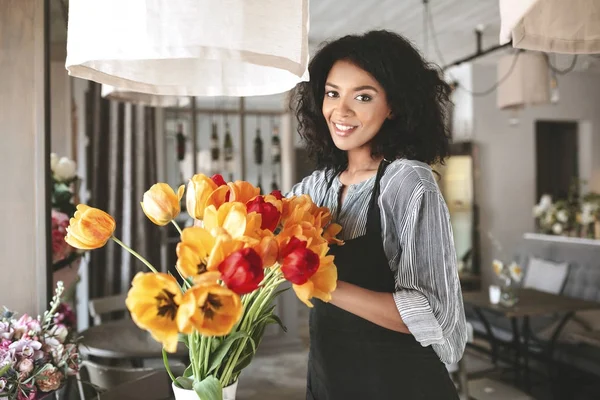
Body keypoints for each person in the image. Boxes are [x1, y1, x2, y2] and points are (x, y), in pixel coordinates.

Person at [288, 30, 467, 399]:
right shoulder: (317, 188)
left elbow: (433, 313)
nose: (342, 110)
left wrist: (324, 282)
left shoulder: (407, 181)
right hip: (330, 381)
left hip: (401, 385)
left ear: (393, 106)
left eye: (363, 97)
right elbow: (260, 232)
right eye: (333, 93)